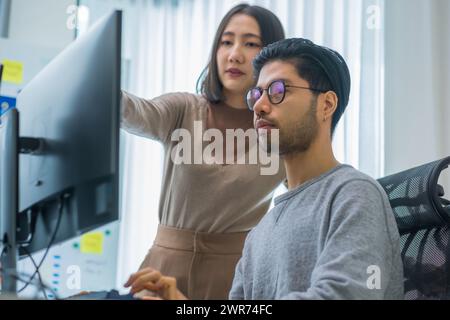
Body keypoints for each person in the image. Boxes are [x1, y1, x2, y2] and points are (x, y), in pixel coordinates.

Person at [124, 38, 404, 300]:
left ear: (326, 104)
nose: (258, 105)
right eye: (257, 94)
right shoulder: (259, 234)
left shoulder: (353, 194)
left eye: (278, 91)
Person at [121, 4, 286, 299]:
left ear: (271, 56)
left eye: (250, 43)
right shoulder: (184, 110)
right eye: (226, 41)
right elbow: (135, 112)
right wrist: (101, 87)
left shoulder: (278, 130)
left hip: (234, 279)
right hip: (162, 270)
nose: (234, 54)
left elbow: (310, 193)